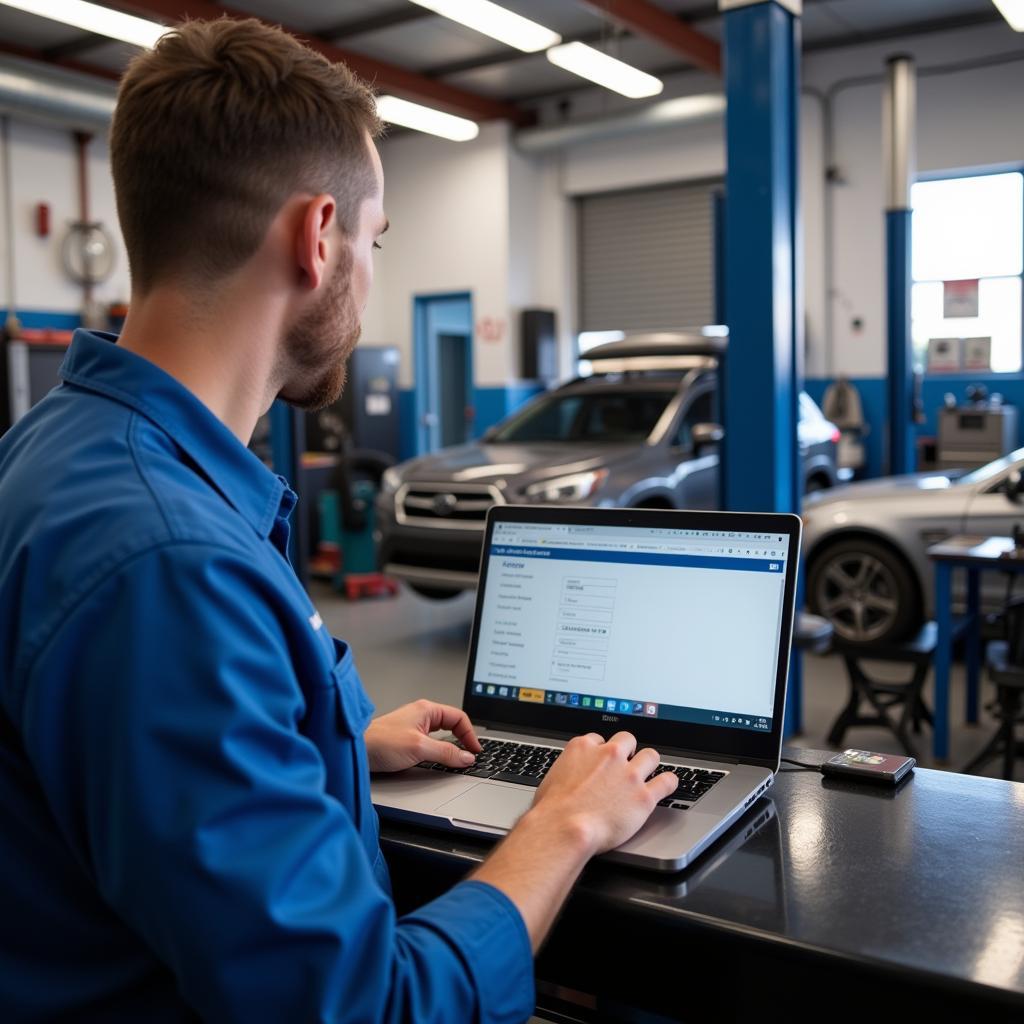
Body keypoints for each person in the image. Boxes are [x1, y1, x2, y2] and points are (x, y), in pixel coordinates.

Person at [0, 19, 678, 1023]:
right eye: (375, 240)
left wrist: (336, 741)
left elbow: (115, 769)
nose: (371, 272)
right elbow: (362, 1006)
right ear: (318, 239)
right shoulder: (169, 560)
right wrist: (563, 824)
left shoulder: (58, 450)